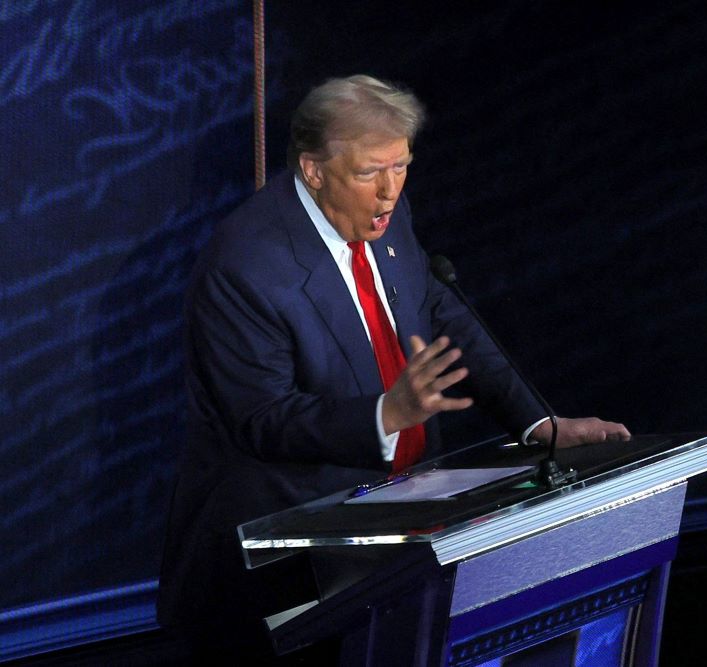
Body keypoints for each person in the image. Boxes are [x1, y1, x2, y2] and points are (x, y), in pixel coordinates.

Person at [156, 74, 629, 655]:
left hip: (402, 542)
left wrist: (538, 425)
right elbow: (263, 418)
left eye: (401, 167)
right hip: (283, 569)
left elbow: (439, 311)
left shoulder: (385, 216)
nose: (389, 192)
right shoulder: (245, 266)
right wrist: (386, 414)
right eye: (369, 174)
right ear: (313, 169)